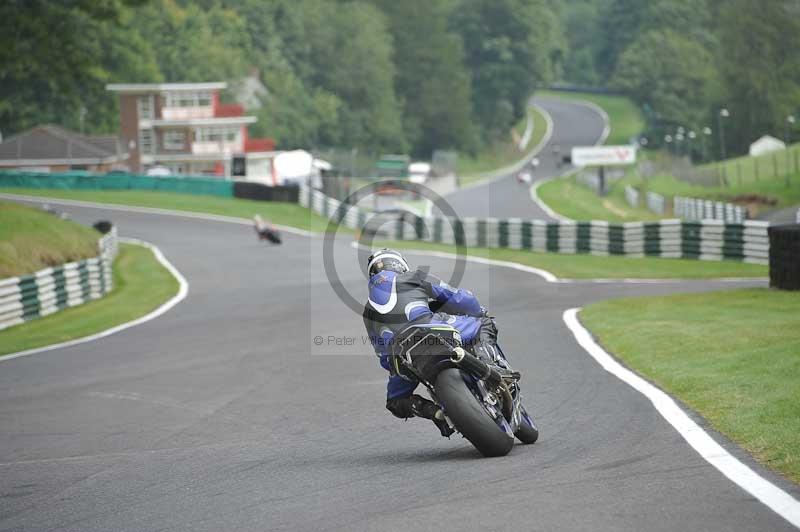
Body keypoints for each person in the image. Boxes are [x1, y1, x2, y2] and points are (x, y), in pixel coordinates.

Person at [362, 248, 509, 437]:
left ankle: (435, 413)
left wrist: (394, 364)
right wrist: (478, 311)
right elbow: (461, 298)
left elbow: (381, 355)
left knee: (395, 401)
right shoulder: (415, 276)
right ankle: (490, 366)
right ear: (399, 265)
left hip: (400, 355)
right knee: (483, 323)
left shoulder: (367, 311)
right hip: (431, 328)